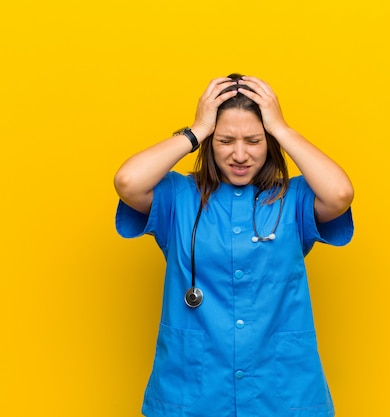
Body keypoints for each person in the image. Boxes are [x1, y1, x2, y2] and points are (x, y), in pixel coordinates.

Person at [114, 74, 354, 417]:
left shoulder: (293, 198)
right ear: (210, 141)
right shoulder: (178, 197)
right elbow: (127, 181)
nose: (239, 154)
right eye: (226, 140)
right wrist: (195, 130)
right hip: (193, 394)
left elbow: (340, 194)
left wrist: (282, 129)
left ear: (268, 142)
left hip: (281, 394)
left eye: (254, 140)